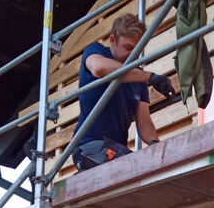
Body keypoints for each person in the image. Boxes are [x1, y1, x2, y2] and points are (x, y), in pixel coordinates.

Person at [72, 13, 175, 171]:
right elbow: (99, 68)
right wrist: (151, 77)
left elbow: (144, 122)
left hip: (116, 149)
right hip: (89, 145)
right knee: (135, 168)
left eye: (137, 49)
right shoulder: (96, 51)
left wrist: (156, 147)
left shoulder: (138, 77)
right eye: (128, 47)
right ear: (113, 40)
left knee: (147, 168)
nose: (132, 54)